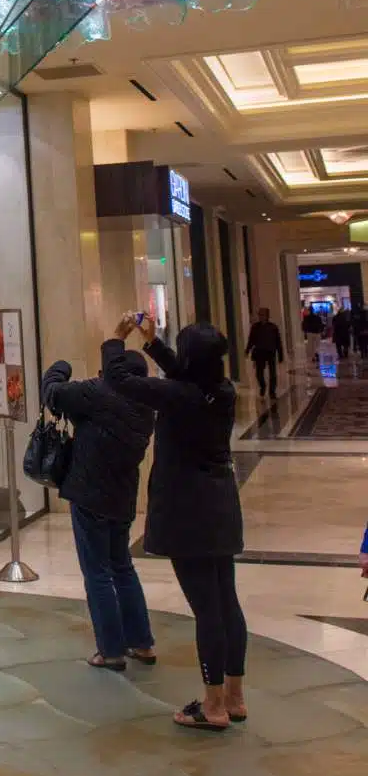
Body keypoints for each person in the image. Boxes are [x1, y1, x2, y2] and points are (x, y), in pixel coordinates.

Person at [107, 313, 245, 731]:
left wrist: (117, 340)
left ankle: (213, 704)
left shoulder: (180, 396)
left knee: (207, 609)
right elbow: (187, 376)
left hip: (188, 510)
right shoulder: (220, 390)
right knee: (226, 601)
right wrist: (154, 344)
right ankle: (235, 697)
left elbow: (121, 381)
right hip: (221, 503)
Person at [41, 343, 156, 671]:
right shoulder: (146, 405)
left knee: (97, 573)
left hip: (90, 495)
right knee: (122, 567)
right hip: (122, 496)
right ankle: (142, 642)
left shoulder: (98, 393)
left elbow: (53, 393)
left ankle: (110, 650)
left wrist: (60, 365)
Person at [244, 307, 284, 400]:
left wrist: (280, 354)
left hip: (270, 352)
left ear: (267, 316)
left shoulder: (273, 327)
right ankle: (262, 386)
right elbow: (251, 340)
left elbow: (278, 341)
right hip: (259, 352)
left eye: (263, 315)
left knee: (272, 373)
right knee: (259, 373)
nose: (261, 316)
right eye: (260, 314)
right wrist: (247, 350)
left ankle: (272, 392)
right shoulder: (255, 327)